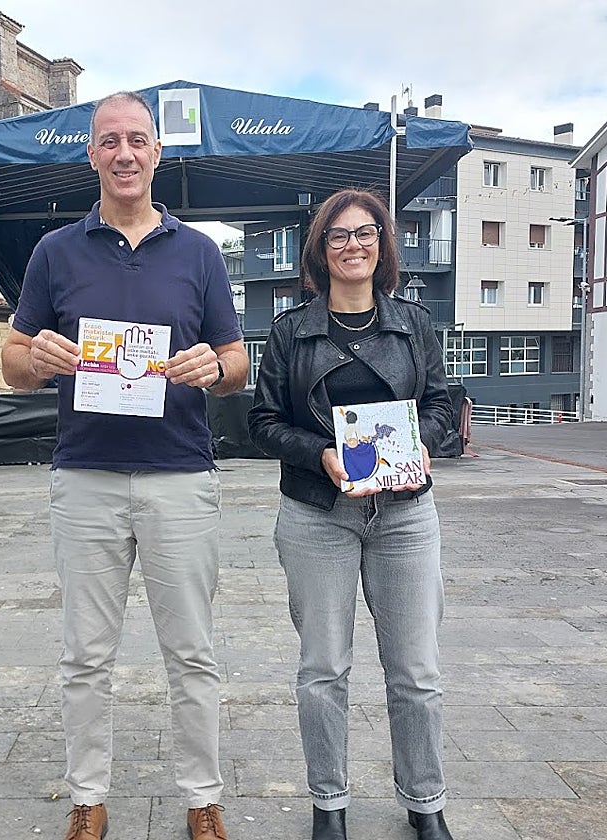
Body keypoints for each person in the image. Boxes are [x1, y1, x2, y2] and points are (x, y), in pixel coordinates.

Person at [0, 90, 248, 840]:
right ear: (92, 155)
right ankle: (87, 798)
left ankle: (202, 799)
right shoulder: (56, 251)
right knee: (85, 656)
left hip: (179, 474)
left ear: (158, 152)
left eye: (137, 140)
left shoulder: (199, 252)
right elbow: (12, 361)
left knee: (192, 653)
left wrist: (217, 366)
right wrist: (35, 358)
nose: (125, 154)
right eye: (110, 141)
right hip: (86, 478)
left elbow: (237, 360)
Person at [248, 188, 457, 840]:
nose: (352, 245)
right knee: (322, 670)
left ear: (382, 244)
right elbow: (260, 423)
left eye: (364, 233)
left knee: (416, 672)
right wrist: (320, 455)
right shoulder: (290, 331)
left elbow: (446, 404)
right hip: (318, 513)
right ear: (320, 248)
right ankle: (328, 807)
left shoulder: (415, 325)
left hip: (403, 516)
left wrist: (425, 441)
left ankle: (426, 806)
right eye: (337, 236)